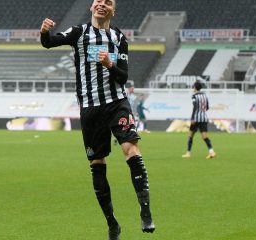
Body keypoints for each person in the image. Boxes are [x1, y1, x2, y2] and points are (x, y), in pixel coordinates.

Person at [40, 0, 155, 239]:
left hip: (117, 103)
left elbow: (123, 77)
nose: (102, 4)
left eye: (108, 2)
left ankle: (145, 212)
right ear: (92, 7)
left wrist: (110, 64)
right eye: (98, 1)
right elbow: (49, 43)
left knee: (131, 149)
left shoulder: (119, 37)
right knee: (97, 164)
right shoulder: (78, 32)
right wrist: (44, 31)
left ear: (114, 10)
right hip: (90, 109)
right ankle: (112, 223)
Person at [182, 81, 216, 159]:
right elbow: (207, 107)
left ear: (195, 87)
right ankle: (211, 152)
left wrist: (193, 118)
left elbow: (195, 107)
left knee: (190, 135)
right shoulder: (205, 96)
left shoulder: (194, 96)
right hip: (204, 118)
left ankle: (188, 153)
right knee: (204, 136)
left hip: (196, 118)